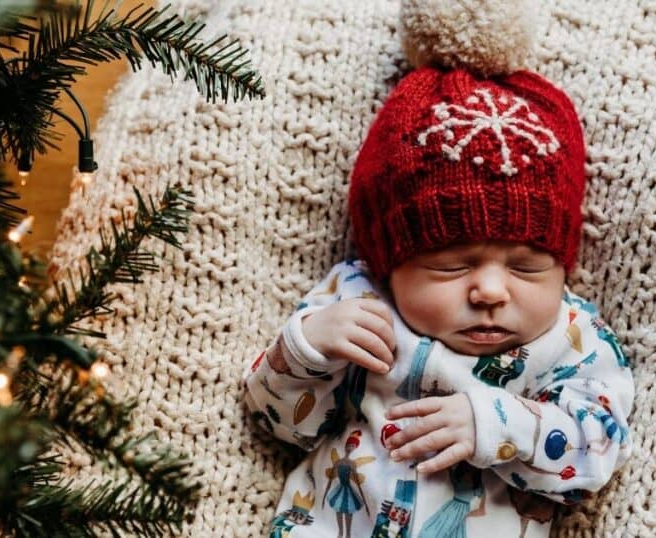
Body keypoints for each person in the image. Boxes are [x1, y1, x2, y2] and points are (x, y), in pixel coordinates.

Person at [243, 31, 635, 537]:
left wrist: (494, 426)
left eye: (526, 267)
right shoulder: (359, 303)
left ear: (562, 268)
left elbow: (597, 452)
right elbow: (280, 425)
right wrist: (307, 348)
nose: (491, 291)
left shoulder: (573, 337)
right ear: (389, 264)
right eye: (452, 266)